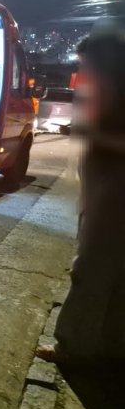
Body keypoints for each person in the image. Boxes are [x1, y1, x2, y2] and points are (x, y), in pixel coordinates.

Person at [37, 21, 125, 366]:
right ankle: (108, 348)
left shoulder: (115, 96)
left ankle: (73, 348)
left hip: (113, 199)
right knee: (112, 277)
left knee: (91, 271)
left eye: (86, 63)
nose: (82, 71)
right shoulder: (110, 94)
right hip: (105, 195)